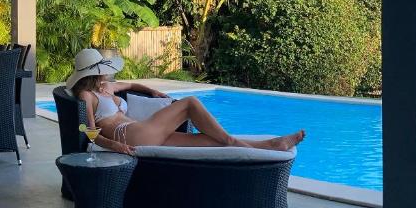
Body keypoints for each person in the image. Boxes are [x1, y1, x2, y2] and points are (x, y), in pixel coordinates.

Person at [66, 49, 304, 156]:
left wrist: (153, 92)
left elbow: (131, 86)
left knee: (209, 141)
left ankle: (272, 145)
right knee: (190, 103)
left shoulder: (107, 88)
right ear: (94, 73)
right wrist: (114, 146)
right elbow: (88, 131)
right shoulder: (87, 96)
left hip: (144, 132)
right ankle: (235, 139)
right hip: (130, 135)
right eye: (101, 71)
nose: (105, 75)